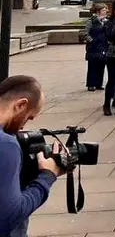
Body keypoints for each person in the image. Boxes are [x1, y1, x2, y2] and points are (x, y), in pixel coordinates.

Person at [0, 76, 65, 237]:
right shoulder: (6, 144)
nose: (23, 125)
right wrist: (48, 176)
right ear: (21, 104)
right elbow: (9, 216)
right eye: (28, 117)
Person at [83, 3, 108, 92]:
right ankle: (91, 84)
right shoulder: (91, 21)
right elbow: (85, 33)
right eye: (103, 10)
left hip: (103, 46)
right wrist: (92, 41)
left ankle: (98, 83)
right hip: (93, 47)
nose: (106, 12)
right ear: (98, 12)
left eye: (106, 10)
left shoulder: (105, 21)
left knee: (101, 65)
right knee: (92, 66)